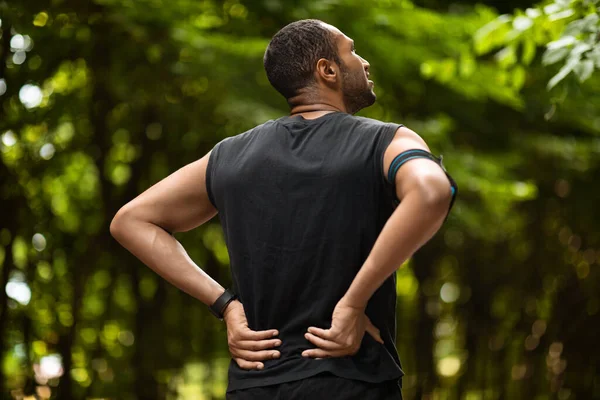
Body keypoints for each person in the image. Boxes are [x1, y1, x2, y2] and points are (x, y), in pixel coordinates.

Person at [110, 19, 457, 400]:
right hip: (349, 381)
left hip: (253, 384)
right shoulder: (384, 141)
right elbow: (431, 193)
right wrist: (353, 303)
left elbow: (131, 220)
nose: (364, 62)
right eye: (351, 51)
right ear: (327, 70)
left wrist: (226, 306)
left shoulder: (230, 156)